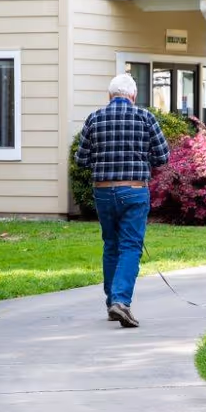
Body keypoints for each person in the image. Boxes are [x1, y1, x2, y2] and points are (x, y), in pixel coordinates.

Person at [74, 74, 170, 328]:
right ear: (133, 96)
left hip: (103, 191)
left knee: (111, 244)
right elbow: (163, 156)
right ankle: (120, 301)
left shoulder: (94, 118)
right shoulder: (145, 118)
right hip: (135, 190)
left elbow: (81, 159)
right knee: (130, 246)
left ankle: (112, 303)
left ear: (110, 96)